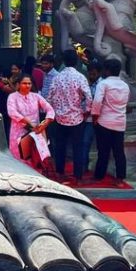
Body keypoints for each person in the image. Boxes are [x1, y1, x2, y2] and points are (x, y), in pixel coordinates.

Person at [44, 49, 92, 185]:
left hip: (60, 118)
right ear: (76, 62)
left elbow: (49, 97)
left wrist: (55, 110)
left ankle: (60, 173)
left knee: (60, 147)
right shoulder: (80, 77)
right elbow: (89, 97)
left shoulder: (57, 78)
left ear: (64, 62)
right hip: (77, 118)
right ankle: (78, 177)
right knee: (78, 148)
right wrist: (85, 111)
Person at [90, 58, 130, 187]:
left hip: (104, 121)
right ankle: (120, 177)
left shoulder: (104, 84)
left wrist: (95, 116)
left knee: (103, 151)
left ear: (106, 70)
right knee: (119, 151)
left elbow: (97, 102)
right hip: (120, 122)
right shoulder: (125, 85)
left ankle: (99, 176)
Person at [6, 74, 55, 172]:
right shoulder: (12, 97)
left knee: (35, 159)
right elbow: (12, 112)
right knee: (19, 159)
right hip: (18, 133)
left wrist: (45, 123)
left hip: (35, 133)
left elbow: (50, 109)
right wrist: (28, 122)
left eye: (29, 83)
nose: (27, 85)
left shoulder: (36, 96)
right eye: (24, 83)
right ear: (18, 84)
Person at [79, 60, 104, 181]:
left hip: (100, 119)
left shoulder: (102, 85)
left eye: (93, 74)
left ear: (99, 73)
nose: (91, 76)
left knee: (101, 146)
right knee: (85, 143)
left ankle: (99, 171)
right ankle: (83, 167)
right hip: (88, 119)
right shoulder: (86, 83)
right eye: (89, 73)